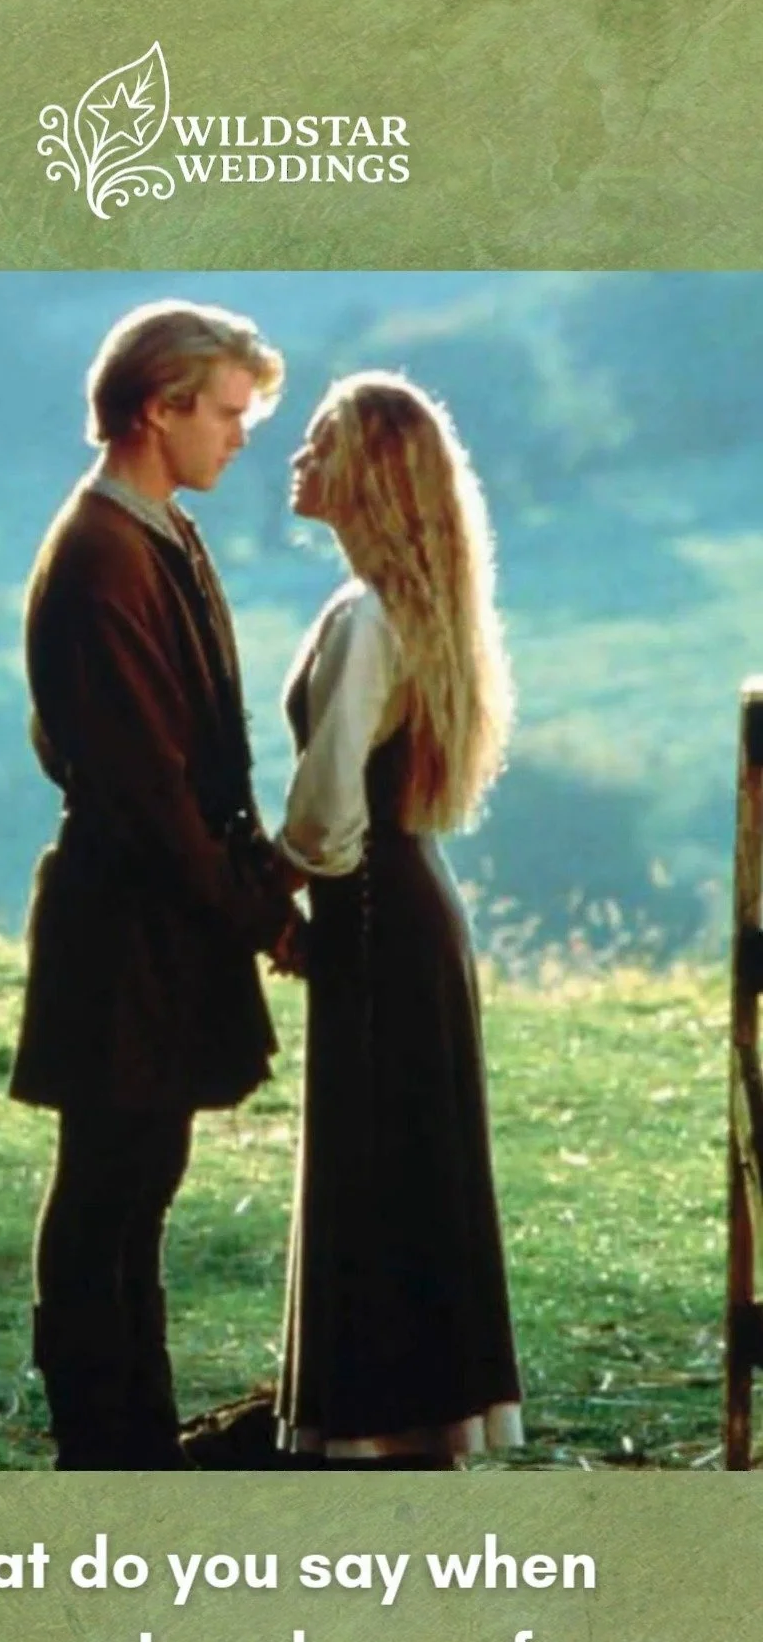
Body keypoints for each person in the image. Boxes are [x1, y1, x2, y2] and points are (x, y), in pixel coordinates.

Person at [8, 300, 302, 1471]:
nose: (240, 435)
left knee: (142, 1180)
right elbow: (145, 785)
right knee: (109, 1187)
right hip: (124, 924)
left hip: (157, 919)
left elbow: (194, 765)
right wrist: (264, 915)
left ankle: (134, 1439)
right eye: (225, 413)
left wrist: (253, 890)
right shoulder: (102, 554)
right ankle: (105, 1449)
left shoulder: (157, 533)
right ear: (156, 408)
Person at [273, 370, 524, 1470]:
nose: (297, 459)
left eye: (320, 442)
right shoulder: (407, 607)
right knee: (418, 1163)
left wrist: (262, 901)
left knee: (378, 1165)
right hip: (414, 907)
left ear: (368, 474)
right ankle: (420, 1413)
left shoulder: (367, 617)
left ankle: (380, 1420)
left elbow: (327, 809)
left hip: (374, 914)